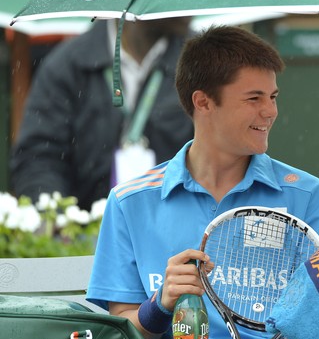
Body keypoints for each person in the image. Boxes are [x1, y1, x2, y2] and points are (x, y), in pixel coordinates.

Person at [86, 25, 319, 339]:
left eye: (273, 97)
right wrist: (159, 304)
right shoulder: (131, 201)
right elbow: (122, 338)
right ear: (203, 102)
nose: (270, 111)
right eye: (254, 98)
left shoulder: (306, 194)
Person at [11, 18, 194, 210]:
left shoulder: (203, 63)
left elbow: (221, 159)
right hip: (84, 231)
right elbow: (38, 157)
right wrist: (58, 220)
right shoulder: (67, 66)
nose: (188, 1)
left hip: (182, 232)